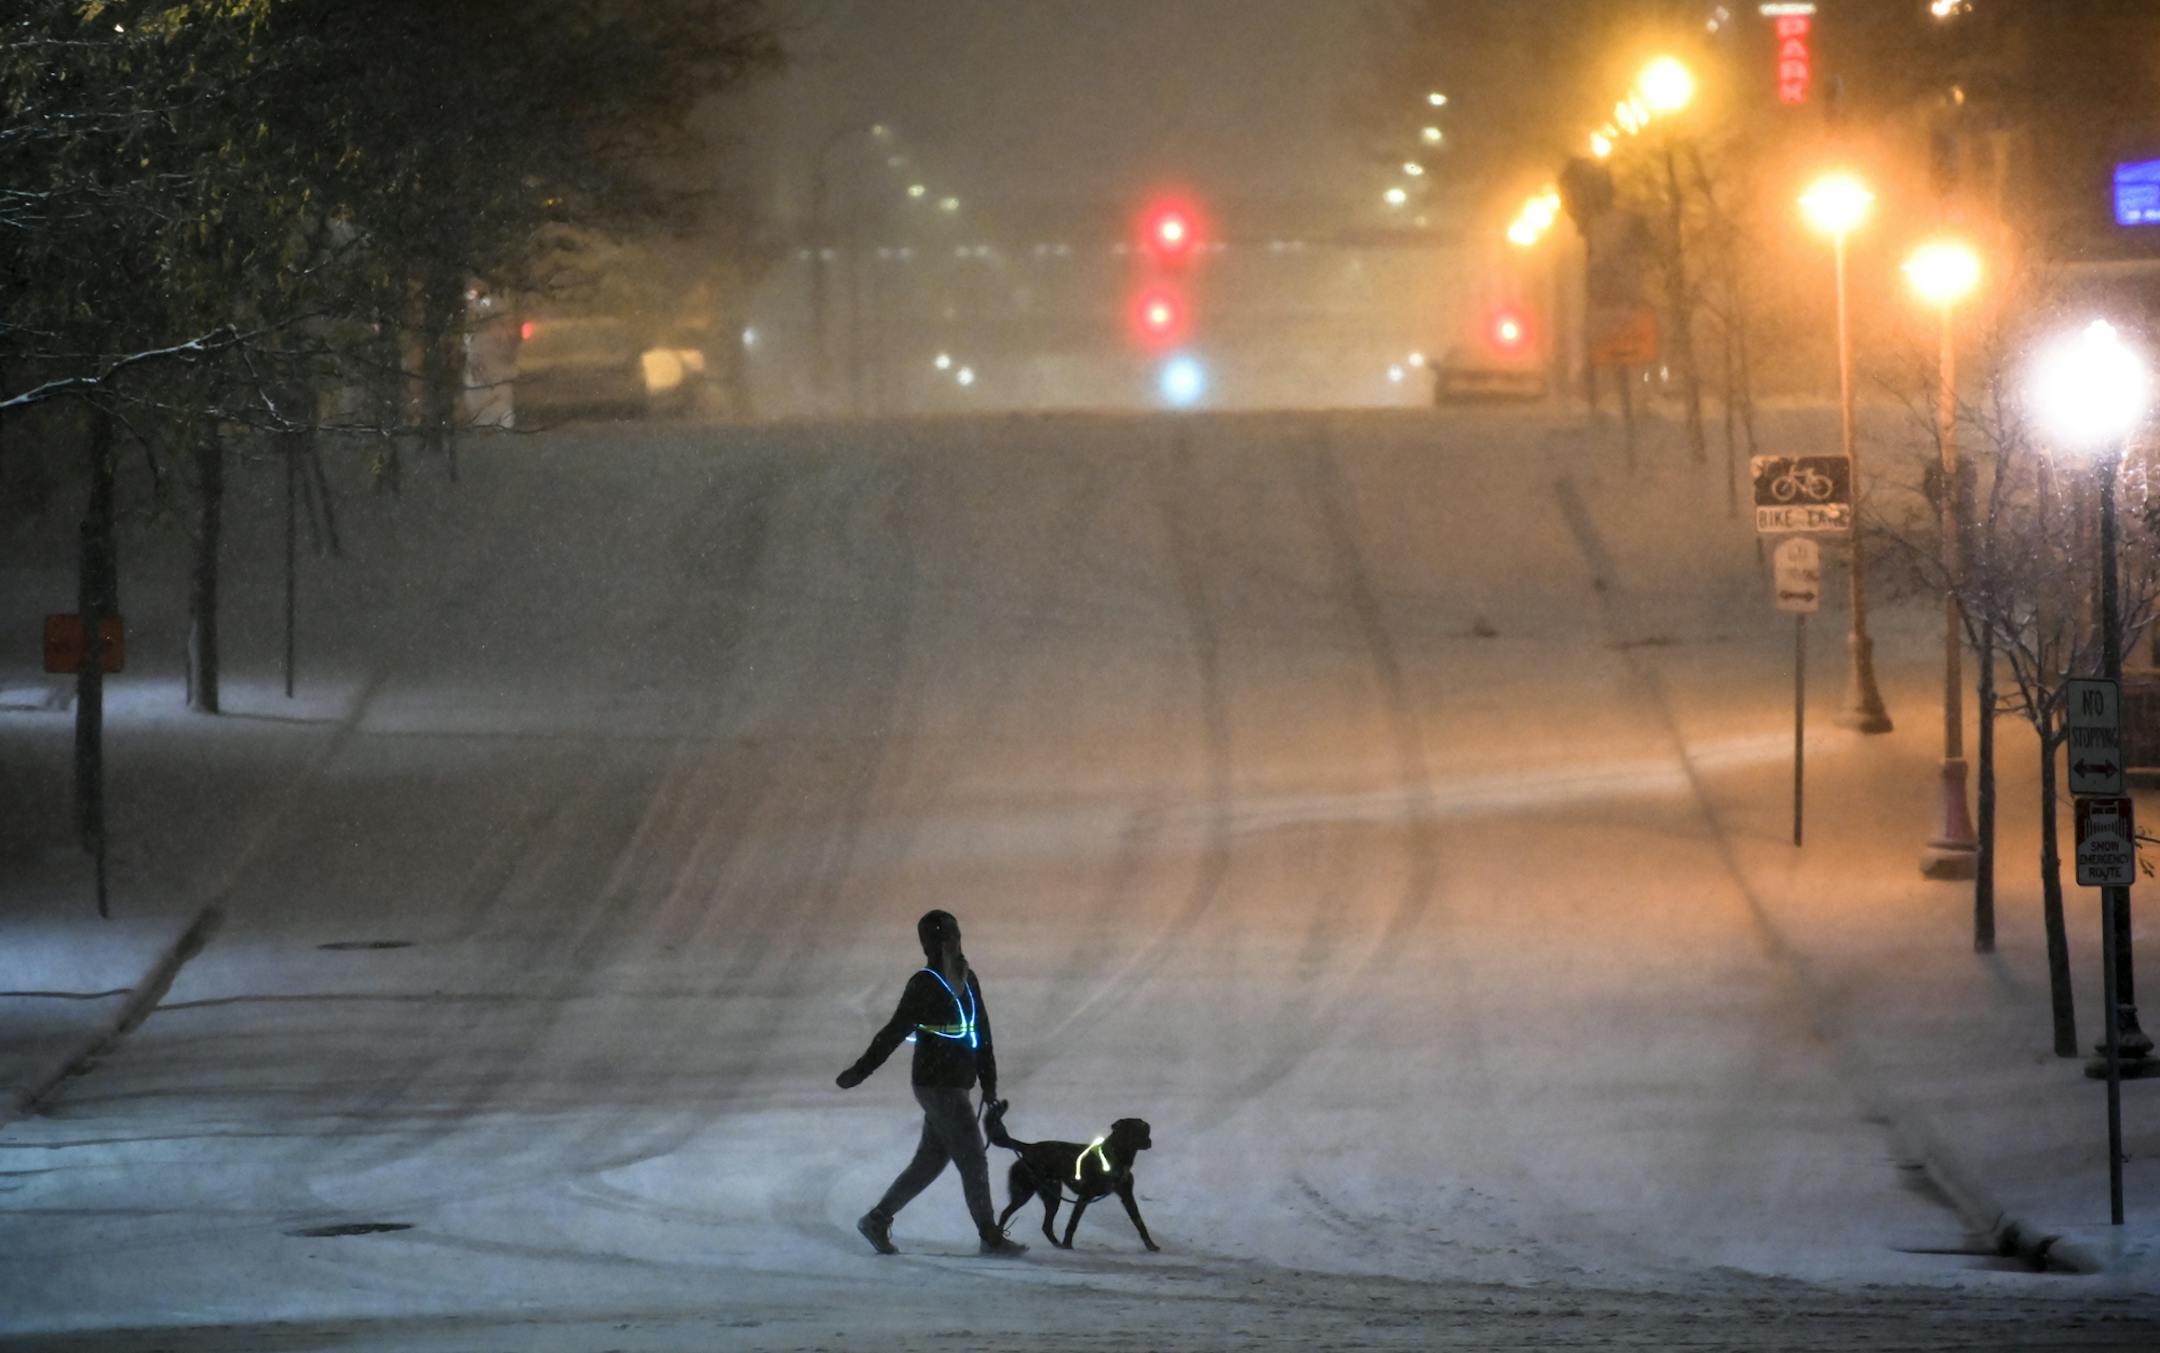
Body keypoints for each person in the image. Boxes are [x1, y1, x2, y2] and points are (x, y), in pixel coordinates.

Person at [836, 909, 1027, 1257]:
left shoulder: (969, 979)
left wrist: (990, 1082)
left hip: (956, 1084)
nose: (956, 943)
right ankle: (990, 1236)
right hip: (936, 1085)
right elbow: (893, 1032)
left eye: (957, 935)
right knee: (973, 1160)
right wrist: (860, 1072)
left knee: (930, 1162)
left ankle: (877, 1219)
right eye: (949, 937)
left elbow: (981, 1031)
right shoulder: (923, 984)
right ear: (934, 944)